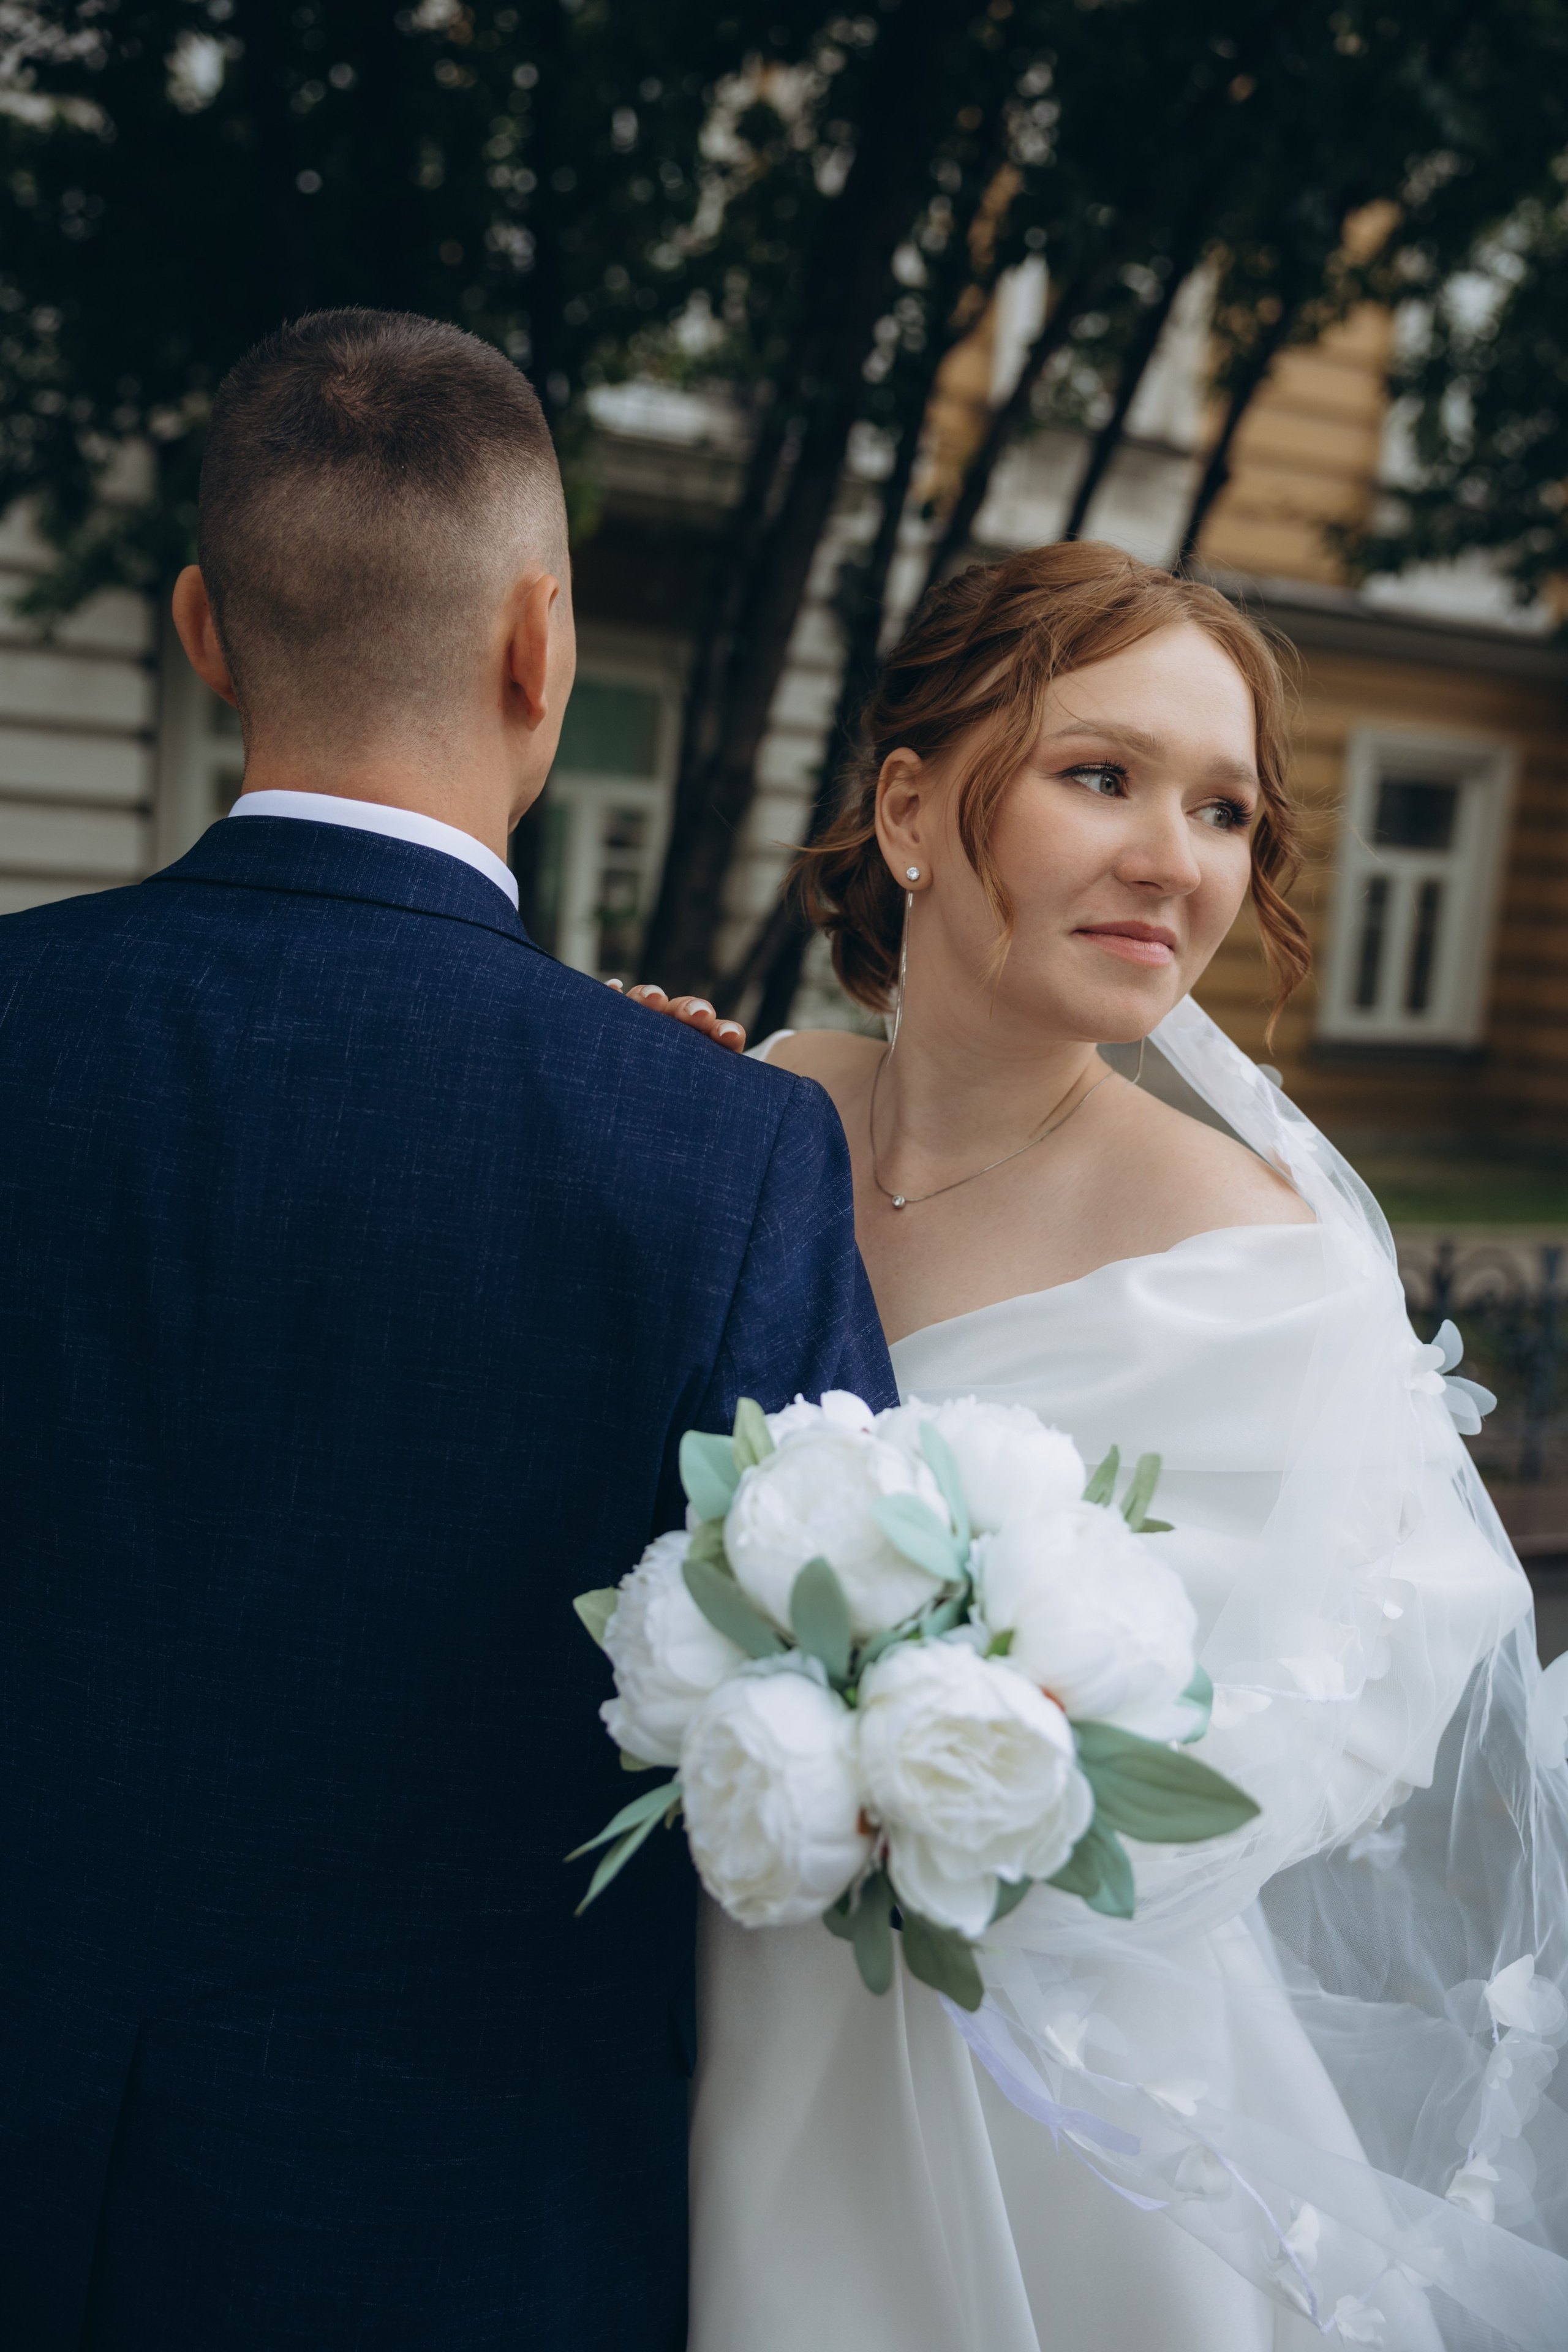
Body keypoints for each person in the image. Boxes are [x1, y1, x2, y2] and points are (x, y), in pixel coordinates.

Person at [0, 309, 894, 2350]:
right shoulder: (720, 1153)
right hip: (462, 2236)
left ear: (204, 630)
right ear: (542, 647)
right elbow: (836, 1731)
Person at [684, 545, 1568, 2350]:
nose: (1180, 857)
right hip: (681, 1983)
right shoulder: (751, 1108)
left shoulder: (1253, 1265)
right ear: (913, 810)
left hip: (1034, 2080)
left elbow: (1334, 1724)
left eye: (1227, 809)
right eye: (1105, 776)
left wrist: (944, 1771)